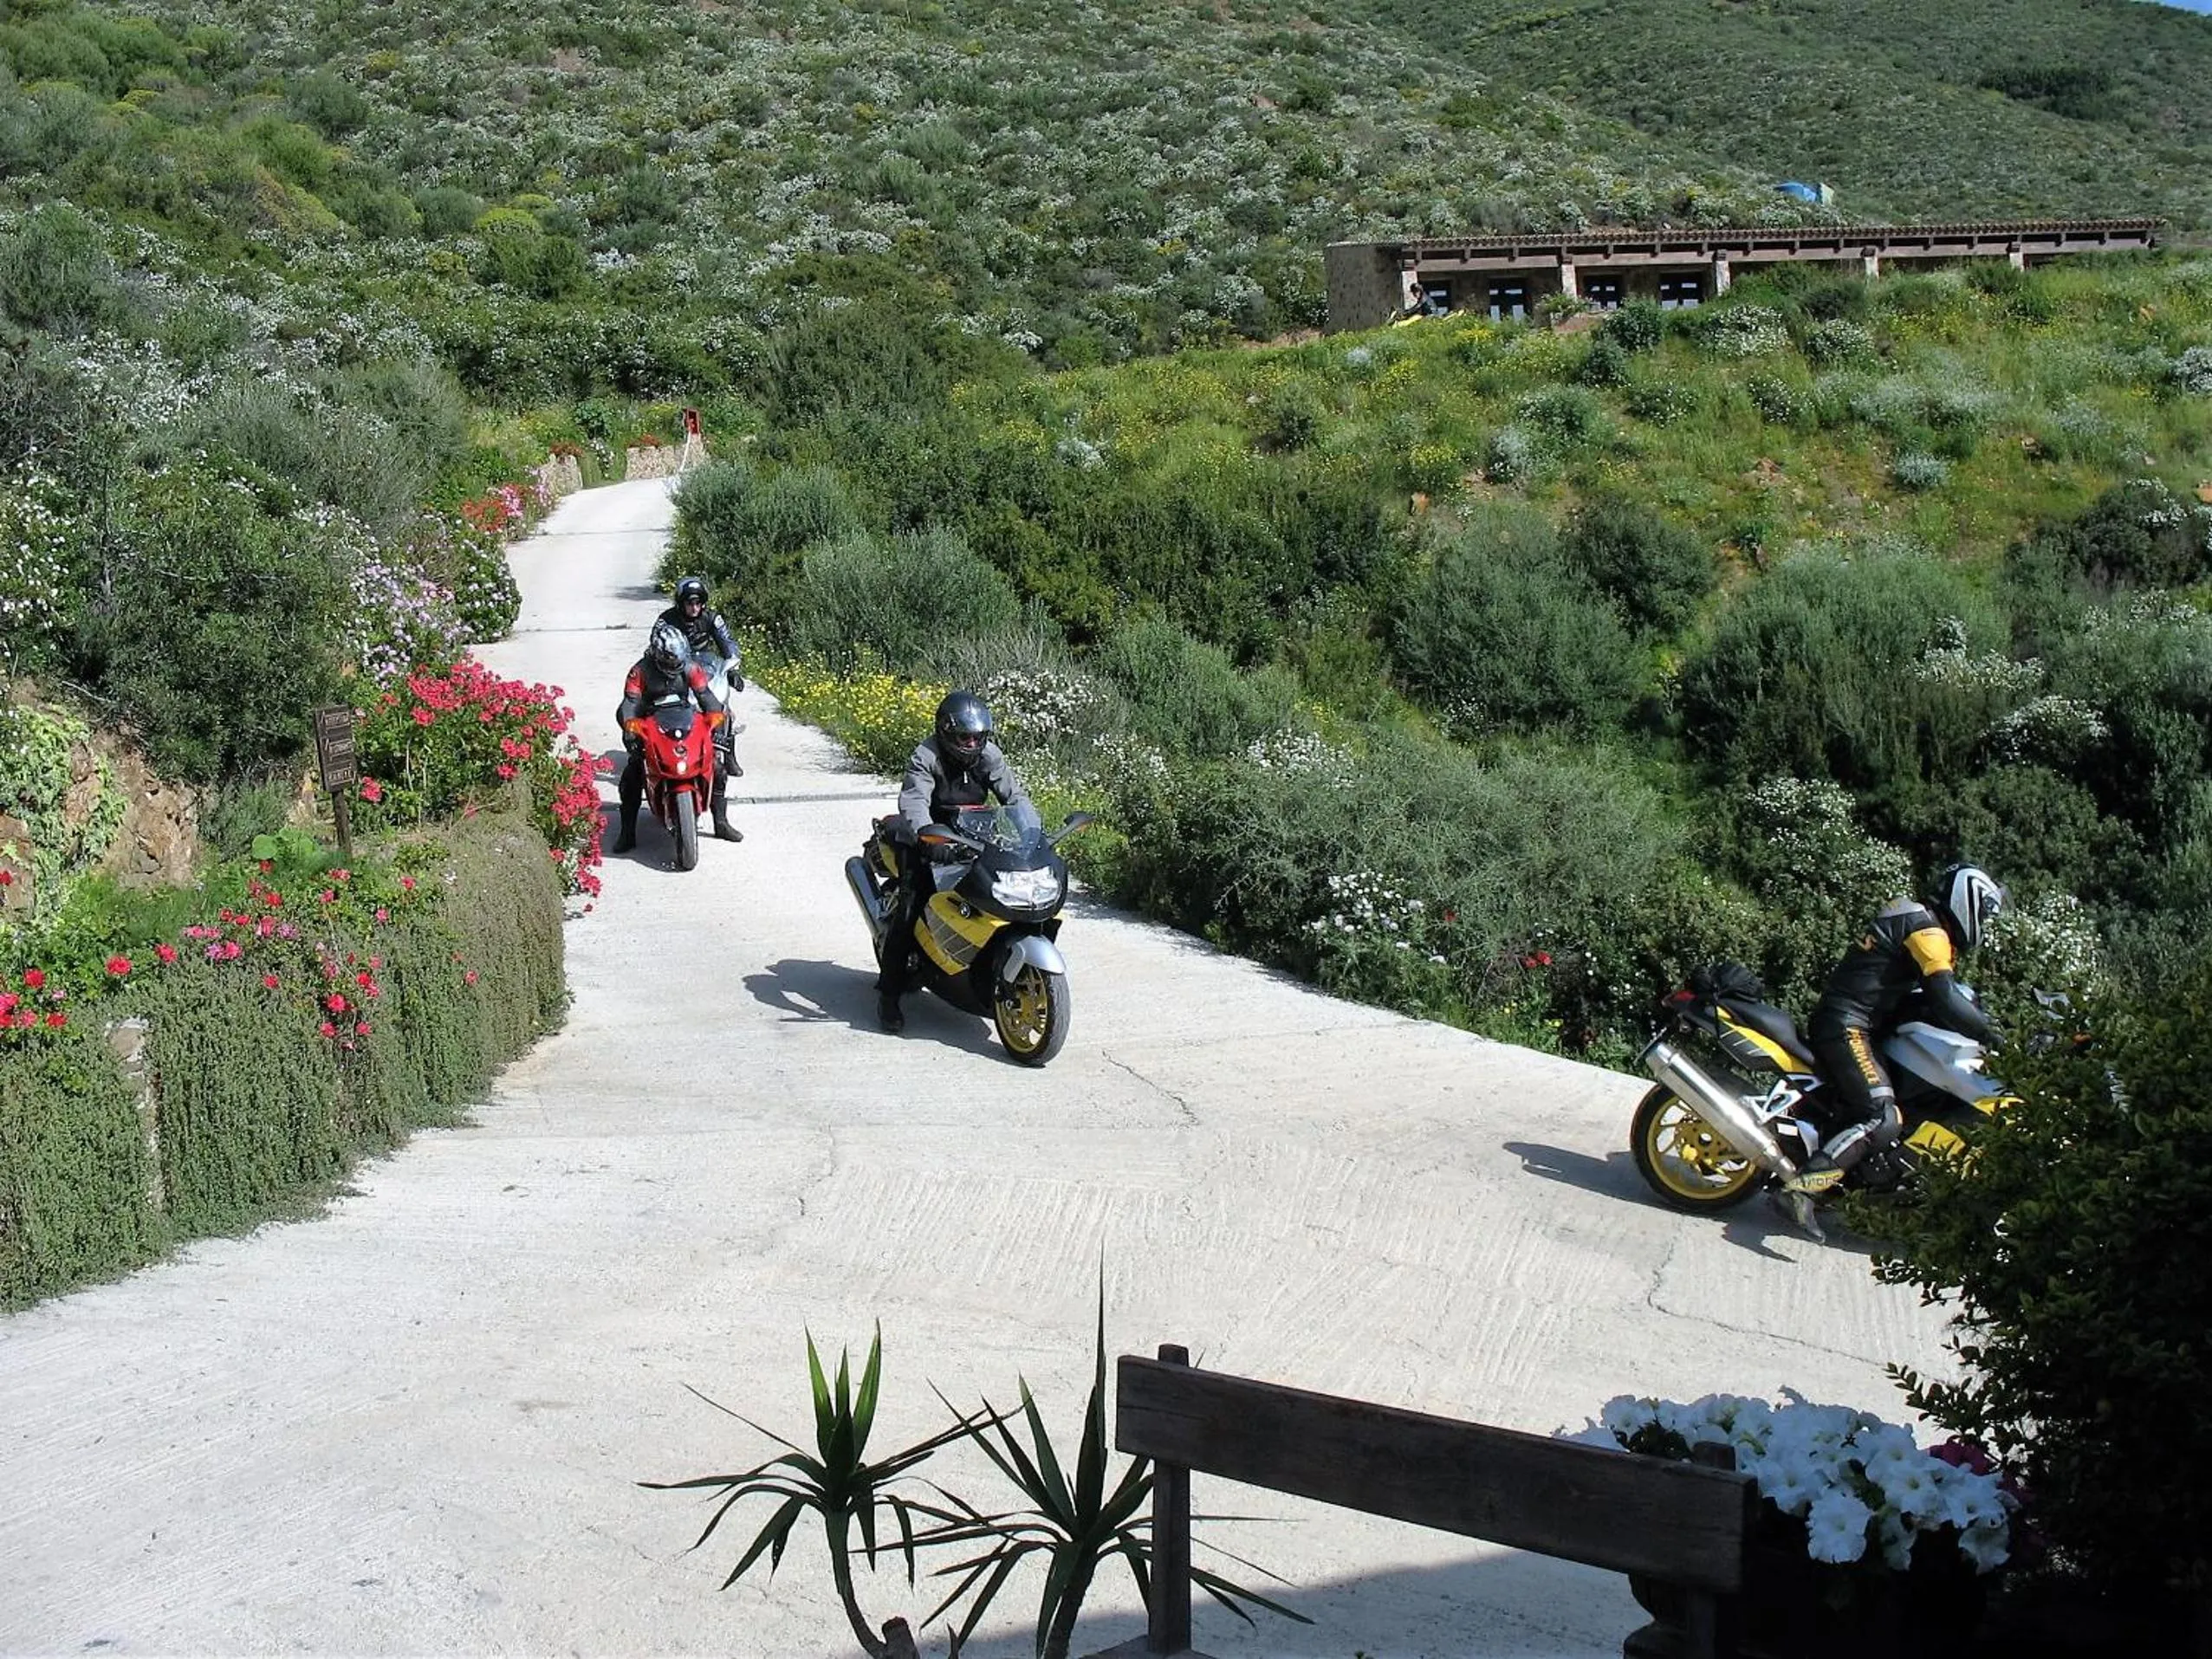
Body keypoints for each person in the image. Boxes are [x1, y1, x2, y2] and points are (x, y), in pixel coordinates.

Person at [1781, 865, 2006, 1229]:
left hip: (1855, 1022)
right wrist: (1993, 1035)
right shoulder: (1928, 931)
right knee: (1881, 1116)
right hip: (1849, 1026)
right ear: (1968, 901)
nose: (1983, 924)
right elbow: (1944, 996)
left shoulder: (1916, 918)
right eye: (1983, 914)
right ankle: (1802, 1190)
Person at [873, 689, 1033, 1033]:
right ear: (946, 732)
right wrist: (927, 837)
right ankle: (888, 995)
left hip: (974, 837)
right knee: (910, 907)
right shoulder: (926, 755)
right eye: (965, 737)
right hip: (928, 840)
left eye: (978, 737)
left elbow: (1014, 796)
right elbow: (915, 800)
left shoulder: (989, 756)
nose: (972, 744)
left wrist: (1033, 832)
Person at [612, 619, 740, 852]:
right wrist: (631, 729)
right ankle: (627, 833)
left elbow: (708, 698)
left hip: (684, 718)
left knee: (717, 769)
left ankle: (721, 823)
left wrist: (717, 726)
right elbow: (629, 704)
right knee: (632, 775)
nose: (675, 666)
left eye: (679, 661)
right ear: (657, 655)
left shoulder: (691, 668)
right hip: (649, 721)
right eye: (670, 661)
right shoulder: (639, 671)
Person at [660, 575, 744, 782]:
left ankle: (729, 754)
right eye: (690, 603)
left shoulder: (712, 618)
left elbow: (728, 643)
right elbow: (657, 644)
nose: (695, 607)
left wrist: (732, 669)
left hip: (705, 669)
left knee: (723, 708)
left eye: (698, 602)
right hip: (675, 671)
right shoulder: (666, 620)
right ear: (681, 603)